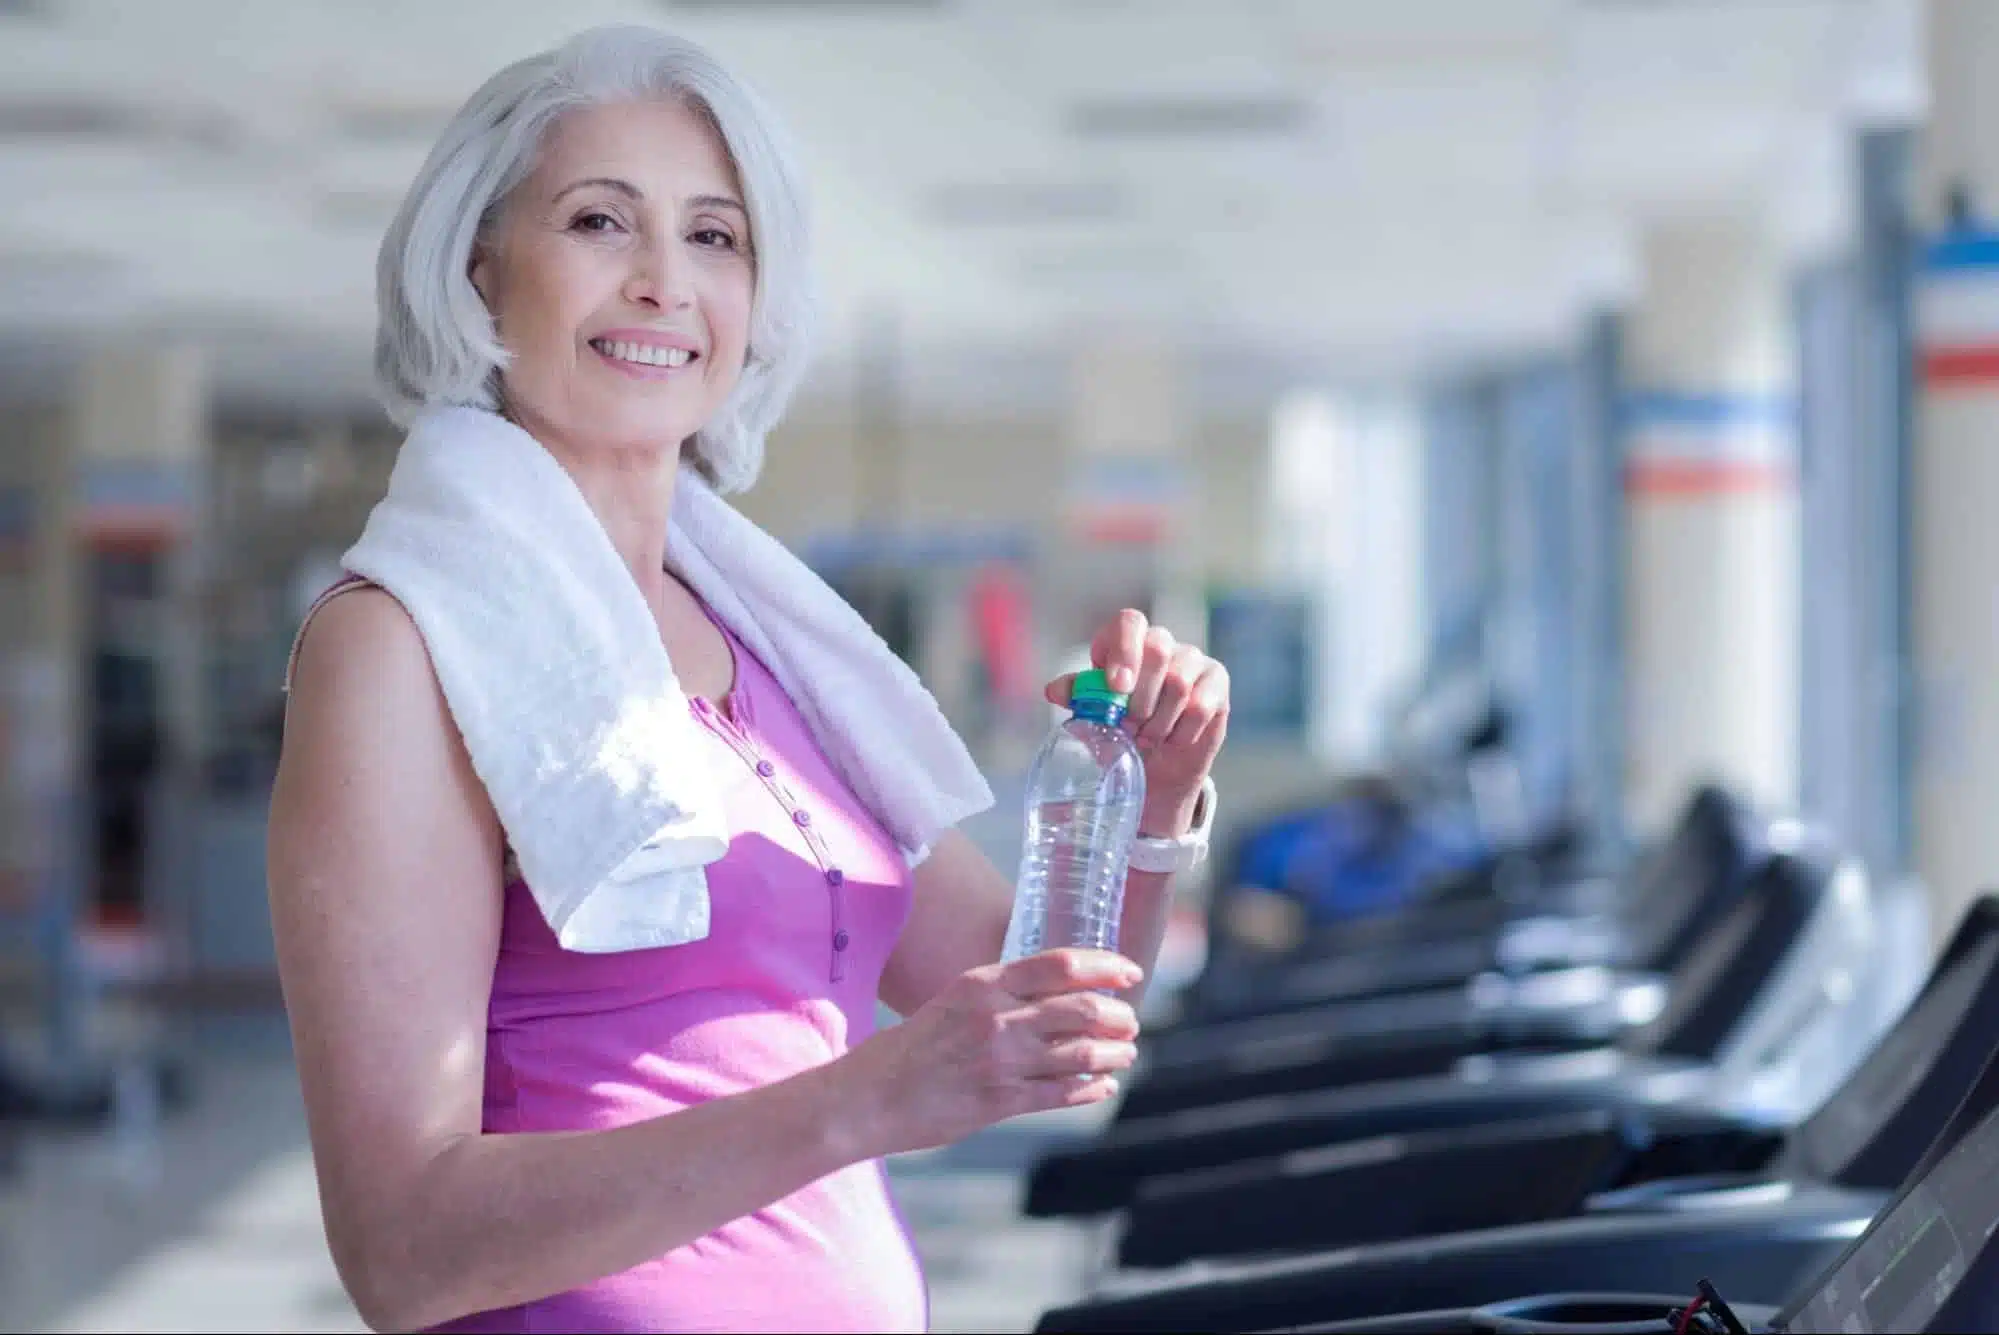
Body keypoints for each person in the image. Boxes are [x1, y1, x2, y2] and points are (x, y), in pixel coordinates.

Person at [266, 24, 1229, 1335]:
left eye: (714, 236)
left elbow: (1046, 1012)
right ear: (480, 271)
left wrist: (1147, 803)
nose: (664, 280)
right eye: (601, 220)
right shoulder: (401, 649)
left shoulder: (774, 646)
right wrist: (865, 1099)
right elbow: (402, 1246)